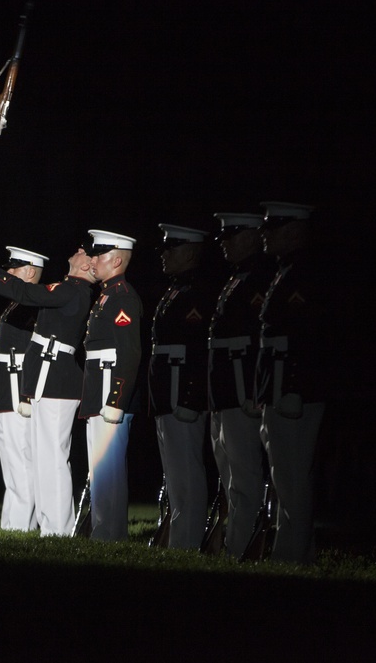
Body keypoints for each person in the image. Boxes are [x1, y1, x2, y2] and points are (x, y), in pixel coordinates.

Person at [0, 243, 96, 536]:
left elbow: (25, 292)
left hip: (58, 381)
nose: (80, 250)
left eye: (85, 252)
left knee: (52, 459)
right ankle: (51, 527)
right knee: (46, 458)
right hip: (49, 380)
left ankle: (58, 528)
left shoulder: (71, 290)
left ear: (85, 266)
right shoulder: (67, 288)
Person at [255, 201, 327, 564]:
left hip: (292, 387)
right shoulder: (287, 272)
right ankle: (293, 552)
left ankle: (294, 556)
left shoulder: (303, 274)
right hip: (278, 384)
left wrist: (294, 387)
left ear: (296, 232)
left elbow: (305, 335)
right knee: (285, 477)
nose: (265, 234)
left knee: (294, 478)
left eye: (275, 228)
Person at [208, 212, 278, 559]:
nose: (224, 243)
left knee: (245, 475)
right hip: (226, 388)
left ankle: (243, 545)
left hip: (241, 387)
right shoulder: (239, 277)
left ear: (251, 237)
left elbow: (255, 340)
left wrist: (252, 390)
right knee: (230, 472)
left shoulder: (260, 278)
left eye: (232, 236)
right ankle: (236, 541)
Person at [149, 223, 220, 550]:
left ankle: (188, 541)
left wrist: (191, 397)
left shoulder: (198, 292)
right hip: (168, 391)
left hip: (181, 391)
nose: (164, 254)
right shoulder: (177, 290)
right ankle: (179, 539)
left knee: (187, 473)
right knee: (176, 474)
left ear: (190, 252)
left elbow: (197, 349)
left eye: (172, 248)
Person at [79, 229, 142, 541]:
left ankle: (110, 534)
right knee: (99, 470)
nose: (93, 260)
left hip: (109, 389)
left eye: (99, 254)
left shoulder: (123, 296)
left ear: (116, 260)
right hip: (98, 387)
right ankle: (103, 531)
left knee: (109, 470)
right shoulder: (106, 294)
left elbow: (129, 352)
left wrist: (116, 400)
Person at [0, 246, 43, 532]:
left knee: (22, 460)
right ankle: (12, 523)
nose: (8, 276)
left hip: (18, 388)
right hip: (6, 385)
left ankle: (22, 526)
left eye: (13, 271)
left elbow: (34, 352)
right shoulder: (17, 304)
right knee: (11, 461)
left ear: (29, 272)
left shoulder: (33, 304)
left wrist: (27, 395)